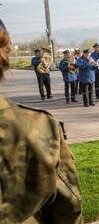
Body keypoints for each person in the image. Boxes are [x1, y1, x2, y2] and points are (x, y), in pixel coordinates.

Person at [0, 19, 83, 223]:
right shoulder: (38, 126)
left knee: (73, 89)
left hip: (76, 80)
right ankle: (53, 96)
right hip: (58, 79)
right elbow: (68, 209)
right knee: (53, 88)